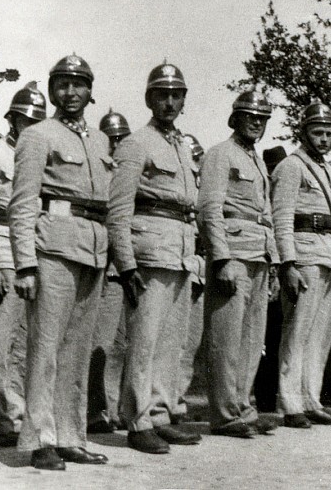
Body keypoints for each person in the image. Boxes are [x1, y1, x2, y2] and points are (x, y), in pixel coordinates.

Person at [9, 54, 112, 470]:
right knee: (45, 348)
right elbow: (22, 203)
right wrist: (25, 264)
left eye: (79, 84)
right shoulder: (38, 135)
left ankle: (70, 435)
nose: (71, 92)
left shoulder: (100, 140)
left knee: (77, 351)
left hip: (93, 248)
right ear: (52, 91)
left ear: (90, 91)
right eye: (62, 85)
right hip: (53, 248)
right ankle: (40, 439)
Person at [107, 61, 202, 454]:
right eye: (162, 95)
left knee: (169, 343)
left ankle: (161, 415)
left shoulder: (181, 146)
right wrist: (126, 263)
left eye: (176, 95)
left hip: (179, 251)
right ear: (149, 99)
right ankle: (138, 420)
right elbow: (118, 208)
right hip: (148, 252)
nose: (169, 102)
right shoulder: (136, 143)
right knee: (143, 341)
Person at [198, 91, 279, 438]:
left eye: (262, 118)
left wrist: (273, 260)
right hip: (234, 254)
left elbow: (266, 216)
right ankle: (224, 413)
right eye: (249, 116)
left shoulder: (257, 160)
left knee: (251, 340)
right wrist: (222, 258)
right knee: (226, 339)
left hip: (258, 255)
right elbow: (209, 209)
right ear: (234, 118)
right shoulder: (221, 154)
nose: (256, 123)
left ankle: (243, 407)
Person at [0, 82, 47, 447]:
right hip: (2, 250)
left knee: (25, 344)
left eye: (37, 121)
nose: (30, 126)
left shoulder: (42, 156)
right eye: (25, 120)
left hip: (33, 251)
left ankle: (19, 414)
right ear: (12, 119)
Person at [272, 102, 331, 429]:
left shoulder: (327, 169)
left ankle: (310, 400)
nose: (324, 139)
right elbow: (282, 218)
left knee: (320, 335)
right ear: (303, 133)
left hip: (329, 256)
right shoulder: (291, 166)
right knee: (297, 332)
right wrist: (287, 263)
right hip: (304, 256)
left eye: (329, 134)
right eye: (318, 133)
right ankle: (291, 404)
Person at [86, 109, 131, 433]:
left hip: (123, 268)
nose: (116, 145)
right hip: (101, 265)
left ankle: (112, 408)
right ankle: (92, 411)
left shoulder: (130, 172)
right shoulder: (97, 171)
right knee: (96, 343)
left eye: (121, 139)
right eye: (111, 139)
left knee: (117, 346)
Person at [253, 145, 288, 413]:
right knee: (261, 339)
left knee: (275, 337)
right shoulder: (262, 195)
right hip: (263, 267)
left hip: (278, 270)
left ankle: (270, 397)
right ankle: (262, 398)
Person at [175, 133, 207, 423]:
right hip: (179, 261)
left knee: (191, 342)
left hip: (200, 266)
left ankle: (177, 401)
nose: (196, 164)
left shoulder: (202, 187)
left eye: (198, 158)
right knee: (173, 340)